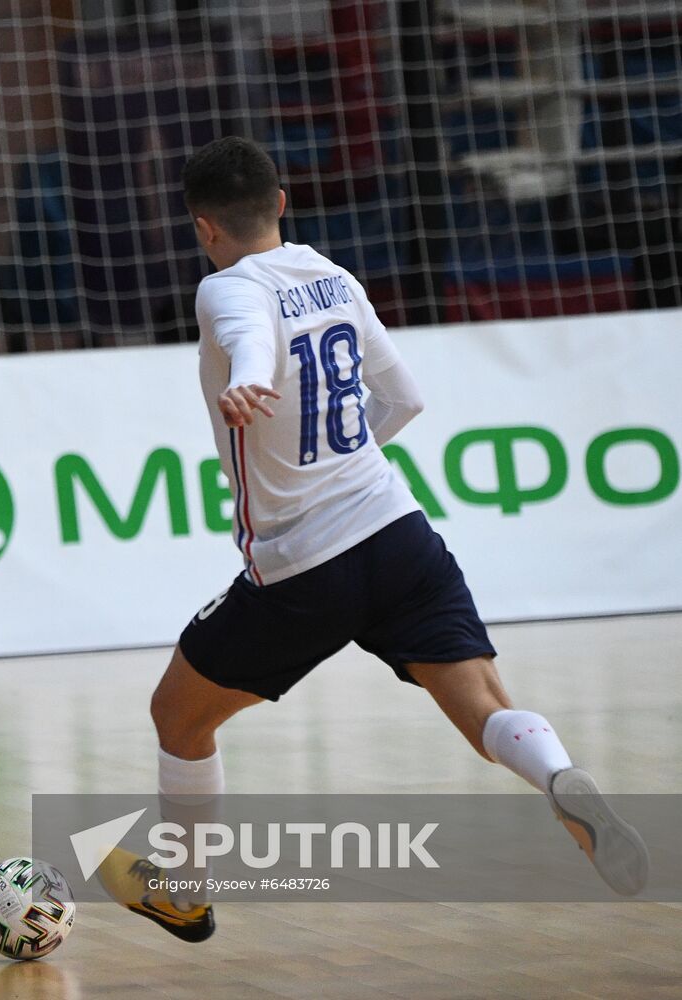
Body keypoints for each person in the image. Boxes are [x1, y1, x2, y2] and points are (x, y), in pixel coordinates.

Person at [98, 136, 649, 941]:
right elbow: (406, 400)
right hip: (397, 533)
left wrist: (252, 375)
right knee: (486, 708)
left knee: (178, 716)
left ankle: (184, 889)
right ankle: (559, 775)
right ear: (281, 203)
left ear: (201, 226)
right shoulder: (334, 275)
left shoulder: (223, 287)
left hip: (301, 566)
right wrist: (343, 456)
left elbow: (243, 323)